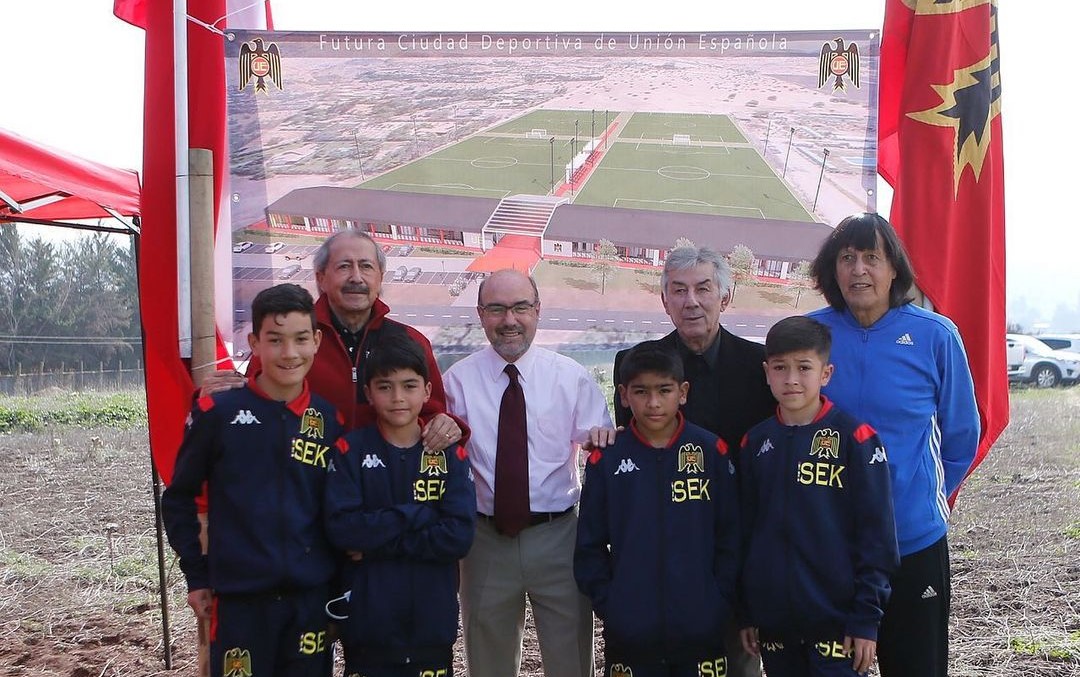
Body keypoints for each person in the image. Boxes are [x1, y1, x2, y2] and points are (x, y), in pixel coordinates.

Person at [807, 213, 979, 677]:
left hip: (913, 542)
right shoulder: (810, 336)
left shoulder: (935, 335)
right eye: (846, 258)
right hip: (831, 545)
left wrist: (926, 498)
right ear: (831, 269)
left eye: (870, 258)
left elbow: (962, 432)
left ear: (894, 270)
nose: (858, 270)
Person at [162, 283, 345, 677]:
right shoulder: (218, 412)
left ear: (316, 341)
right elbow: (178, 498)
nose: (289, 353)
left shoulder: (329, 420)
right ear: (254, 342)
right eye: (275, 340)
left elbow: (337, 511)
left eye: (300, 339)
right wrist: (196, 575)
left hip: (309, 602)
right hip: (239, 602)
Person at [612, 245, 775, 677]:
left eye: (703, 289)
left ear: (725, 297)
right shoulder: (634, 367)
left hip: (739, 545)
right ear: (664, 300)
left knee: (738, 663)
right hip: (662, 549)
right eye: (679, 290)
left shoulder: (761, 367)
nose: (691, 301)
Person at [443, 268, 614, 677]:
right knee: (488, 658)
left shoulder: (569, 377)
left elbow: (600, 443)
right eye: (497, 309)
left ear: (537, 311)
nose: (509, 320)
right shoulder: (457, 382)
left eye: (520, 307)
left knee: (571, 657)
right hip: (484, 540)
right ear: (480, 314)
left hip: (558, 537)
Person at [738, 316, 898, 677]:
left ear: (826, 373)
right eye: (780, 368)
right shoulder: (755, 442)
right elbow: (744, 532)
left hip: (838, 625)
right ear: (766, 373)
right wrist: (746, 611)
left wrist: (865, 620)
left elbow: (878, 537)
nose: (791, 379)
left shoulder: (856, 438)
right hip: (775, 623)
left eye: (804, 368)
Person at [203, 230, 461, 449]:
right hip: (306, 495)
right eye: (344, 266)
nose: (356, 277)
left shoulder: (411, 341)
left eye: (366, 266)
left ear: (380, 276)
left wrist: (446, 426)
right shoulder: (288, 342)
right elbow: (255, 412)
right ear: (321, 278)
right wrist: (214, 402)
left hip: (384, 495)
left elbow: (431, 416)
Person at [576, 344, 739, 677]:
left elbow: (731, 536)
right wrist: (612, 604)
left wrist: (717, 600)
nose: (653, 403)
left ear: (683, 392)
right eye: (641, 391)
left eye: (664, 390)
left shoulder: (711, 451)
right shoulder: (605, 459)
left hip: (701, 630)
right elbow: (589, 545)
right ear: (623, 395)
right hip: (631, 635)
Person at [324, 338, 476, 677]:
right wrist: (418, 513)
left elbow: (459, 537)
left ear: (427, 391)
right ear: (368, 392)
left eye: (408, 386)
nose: (397, 398)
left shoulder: (448, 454)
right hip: (369, 625)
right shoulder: (351, 451)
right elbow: (343, 530)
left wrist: (379, 545)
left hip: (431, 625)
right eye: (385, 387)